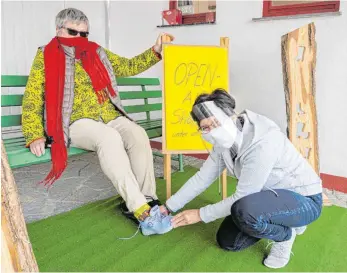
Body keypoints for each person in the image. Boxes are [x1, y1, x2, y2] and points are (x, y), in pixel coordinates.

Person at [22, 8, 173, 235]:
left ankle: (147, 200)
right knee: (109, 137)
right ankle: (140, 209)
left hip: (108, 115)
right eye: (74, 32)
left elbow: (127, 66)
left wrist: (155, 51)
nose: (81, 38)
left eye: (85, 34)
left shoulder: (96, 51)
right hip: (73, 121)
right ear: (59, 29)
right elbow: (33, 96)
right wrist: (34, 133)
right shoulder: (46, 55)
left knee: (136, 133)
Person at [160, 89, 323, 268]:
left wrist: (200, 214)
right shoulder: (222, 145)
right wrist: (169, 207)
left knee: (244, 209)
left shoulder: (262, 142)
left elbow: (242, 196)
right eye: (205, 128)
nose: (211, 131)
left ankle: (285, 235)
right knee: (228, 241)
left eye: (215, 123)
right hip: (267, 198)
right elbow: (202, 178)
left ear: (231, 116)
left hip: (304, 200)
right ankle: (286, 221)